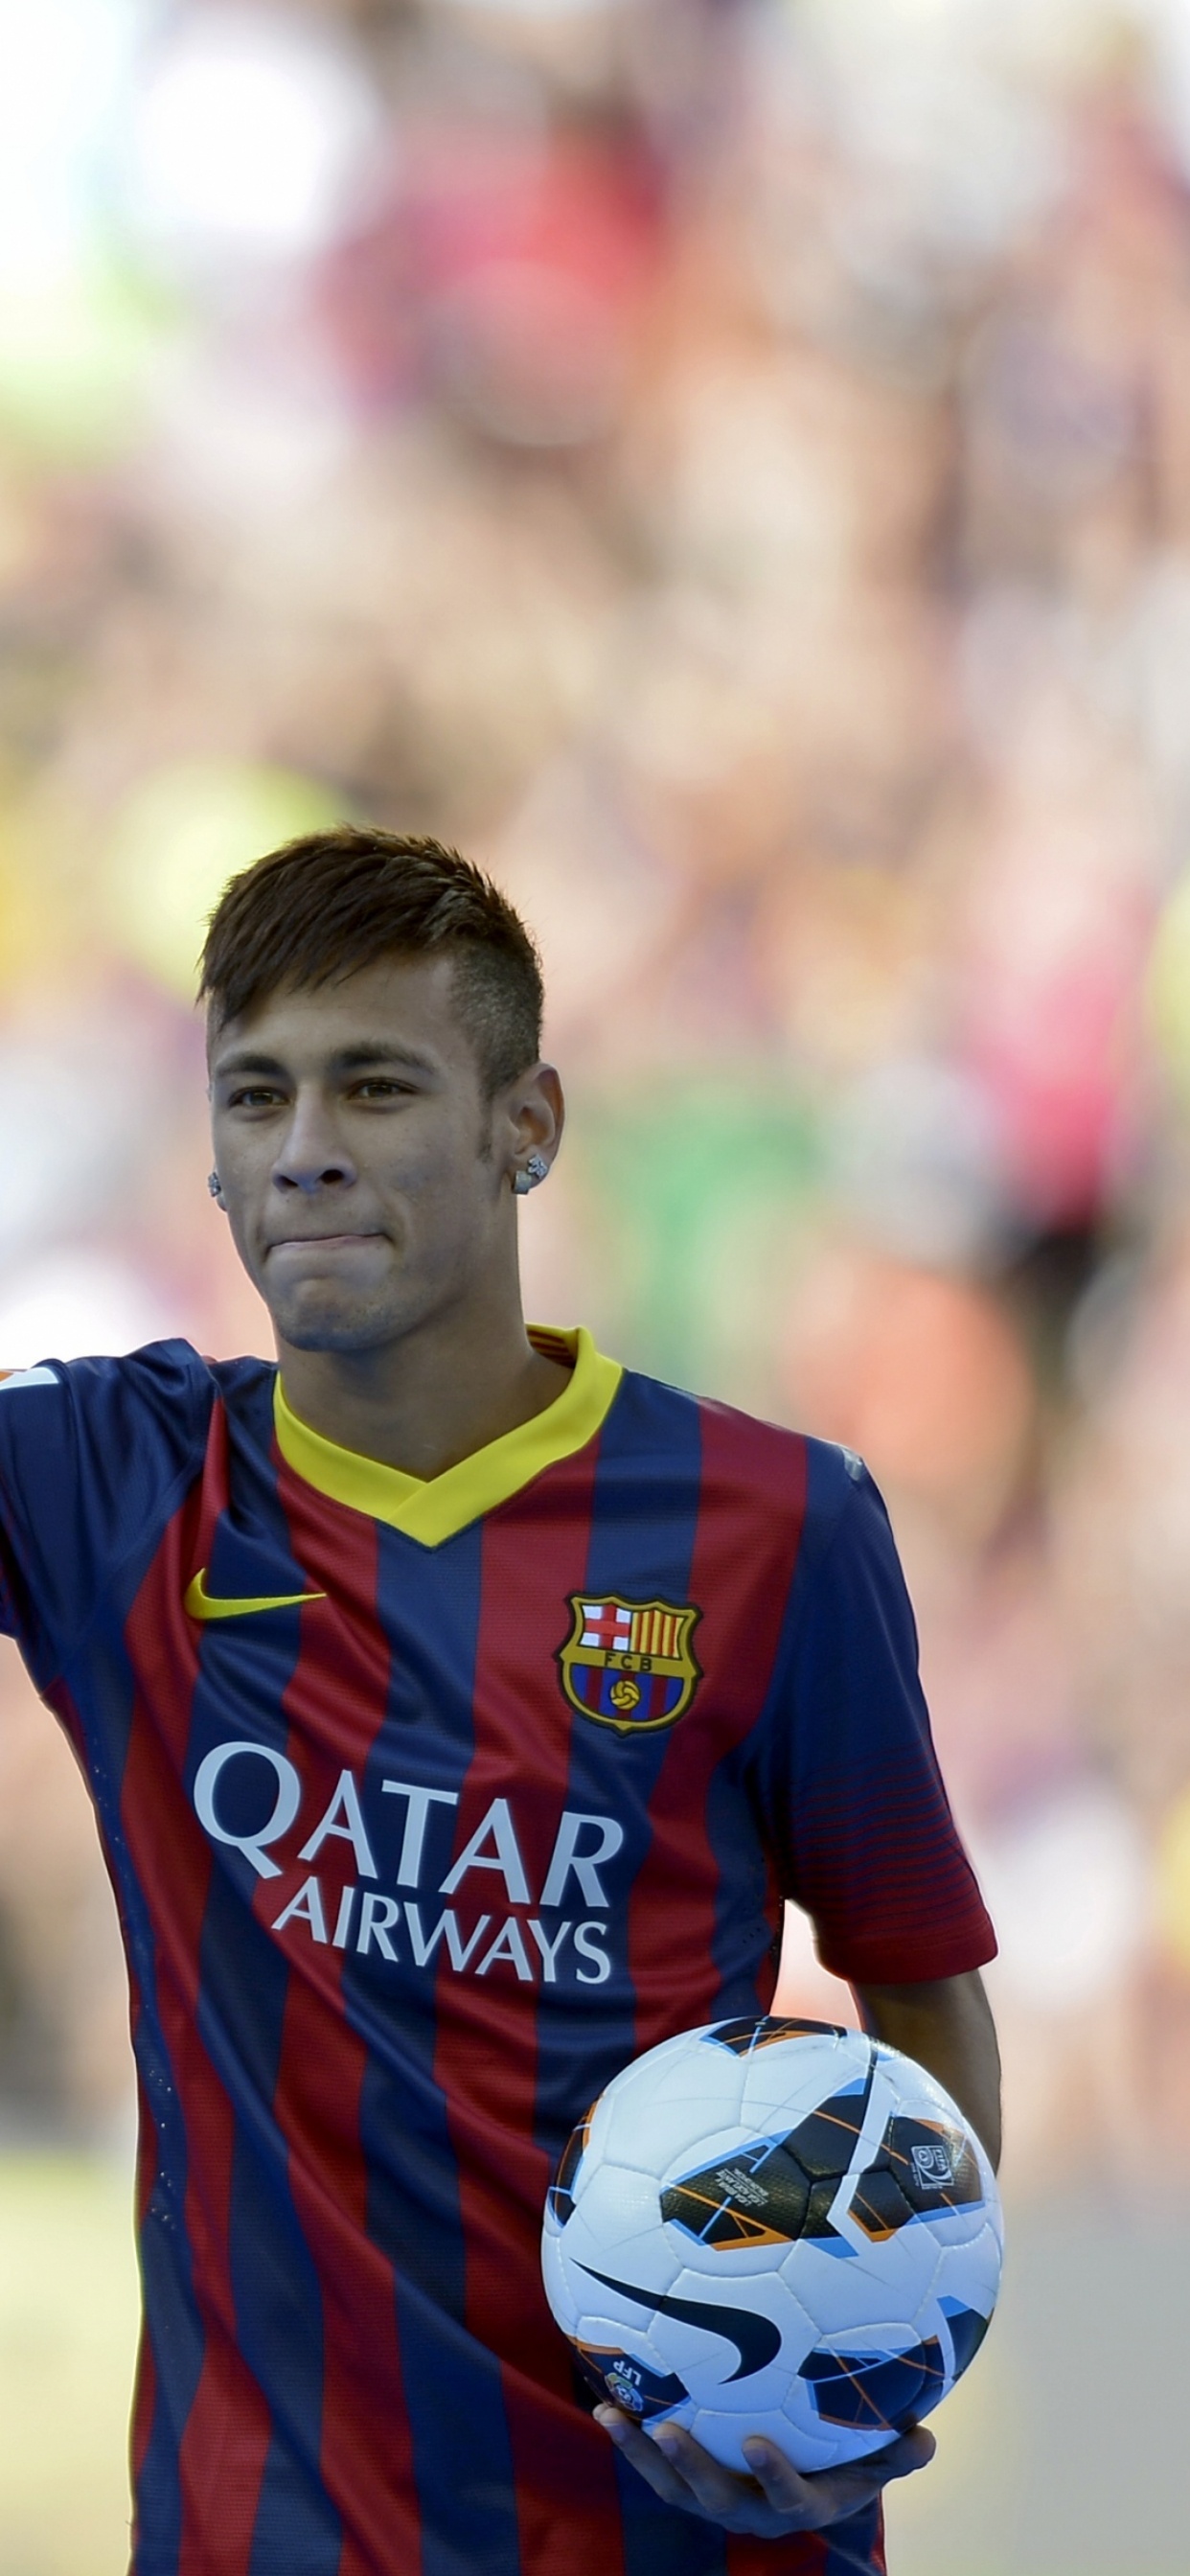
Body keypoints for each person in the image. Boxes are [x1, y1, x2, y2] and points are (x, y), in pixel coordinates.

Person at [0, 826, 999, 2576]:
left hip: (698, 2536)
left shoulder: (769, 1527)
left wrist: (872, 2365)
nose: (306, 1154)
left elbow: (914, 1979)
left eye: (374, 1087)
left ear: (523, 1126)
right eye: (255, 1100)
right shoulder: (106, 1487)